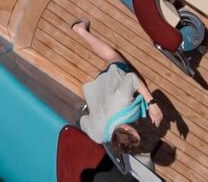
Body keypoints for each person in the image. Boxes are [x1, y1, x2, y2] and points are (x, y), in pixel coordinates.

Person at [69, 19, 164, 176]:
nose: (136, 129)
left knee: (114, 57)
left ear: (126, 128)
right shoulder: (97, 136)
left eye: (135, 131)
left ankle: (80, 30)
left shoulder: (122, 100)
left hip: (111, 78)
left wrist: (151, 103)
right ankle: (100, 76)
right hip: (98, 93)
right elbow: (83, 121)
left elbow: (133, 79)